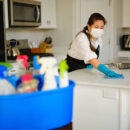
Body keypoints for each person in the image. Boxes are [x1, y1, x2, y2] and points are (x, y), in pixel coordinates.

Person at [66, 13, 123, 78]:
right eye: (96, 27)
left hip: (84, 70)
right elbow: (91, 58)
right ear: (88, 26)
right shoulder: (82, 38)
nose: (99, 30)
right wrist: (107, 71)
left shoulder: (99, 40)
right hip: (71, 71)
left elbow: (93, 59)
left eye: (101, 27)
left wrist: (91, 65)